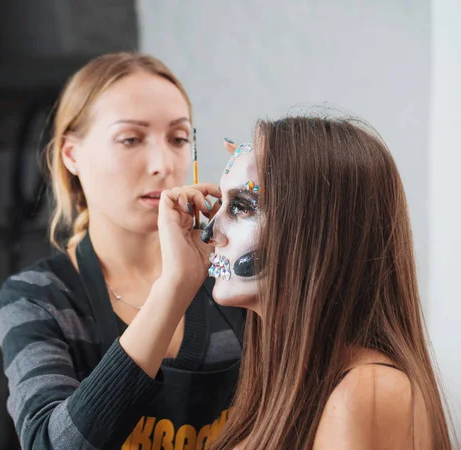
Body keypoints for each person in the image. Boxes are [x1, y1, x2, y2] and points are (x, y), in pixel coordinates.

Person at [0, 52, 243, 450]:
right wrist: (174, 288)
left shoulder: (234, 281)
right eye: (131, 138)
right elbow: (49, 445)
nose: (163, 164)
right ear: (71, 155)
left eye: (178, 139)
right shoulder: (38, 298)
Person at [187, 117, 450, 449]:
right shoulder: (279, 385)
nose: (209, 232)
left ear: (315, 231)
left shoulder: (368, 390)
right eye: (219, 204)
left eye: (240, 207)